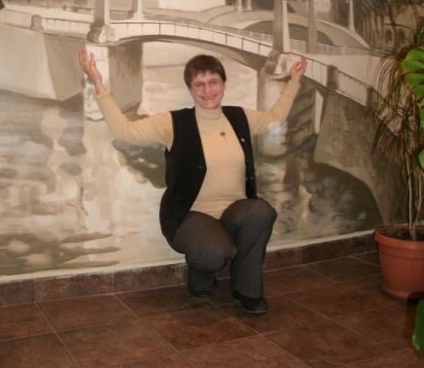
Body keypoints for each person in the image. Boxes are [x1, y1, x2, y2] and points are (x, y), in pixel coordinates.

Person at [79, 49, 307, 314]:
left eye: (213, 82)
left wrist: (294, 81)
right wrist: (98, 82)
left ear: (223, 85)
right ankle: (201, 272)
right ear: (190, 89)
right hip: (191, 215)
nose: (207, 90)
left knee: (260, 211)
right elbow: (124, 131)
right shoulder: (174, 123)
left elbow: (274, 118)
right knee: (212, 254)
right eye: (199, 84)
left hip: (234, 213)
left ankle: (248, 289)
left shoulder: (240, 118)